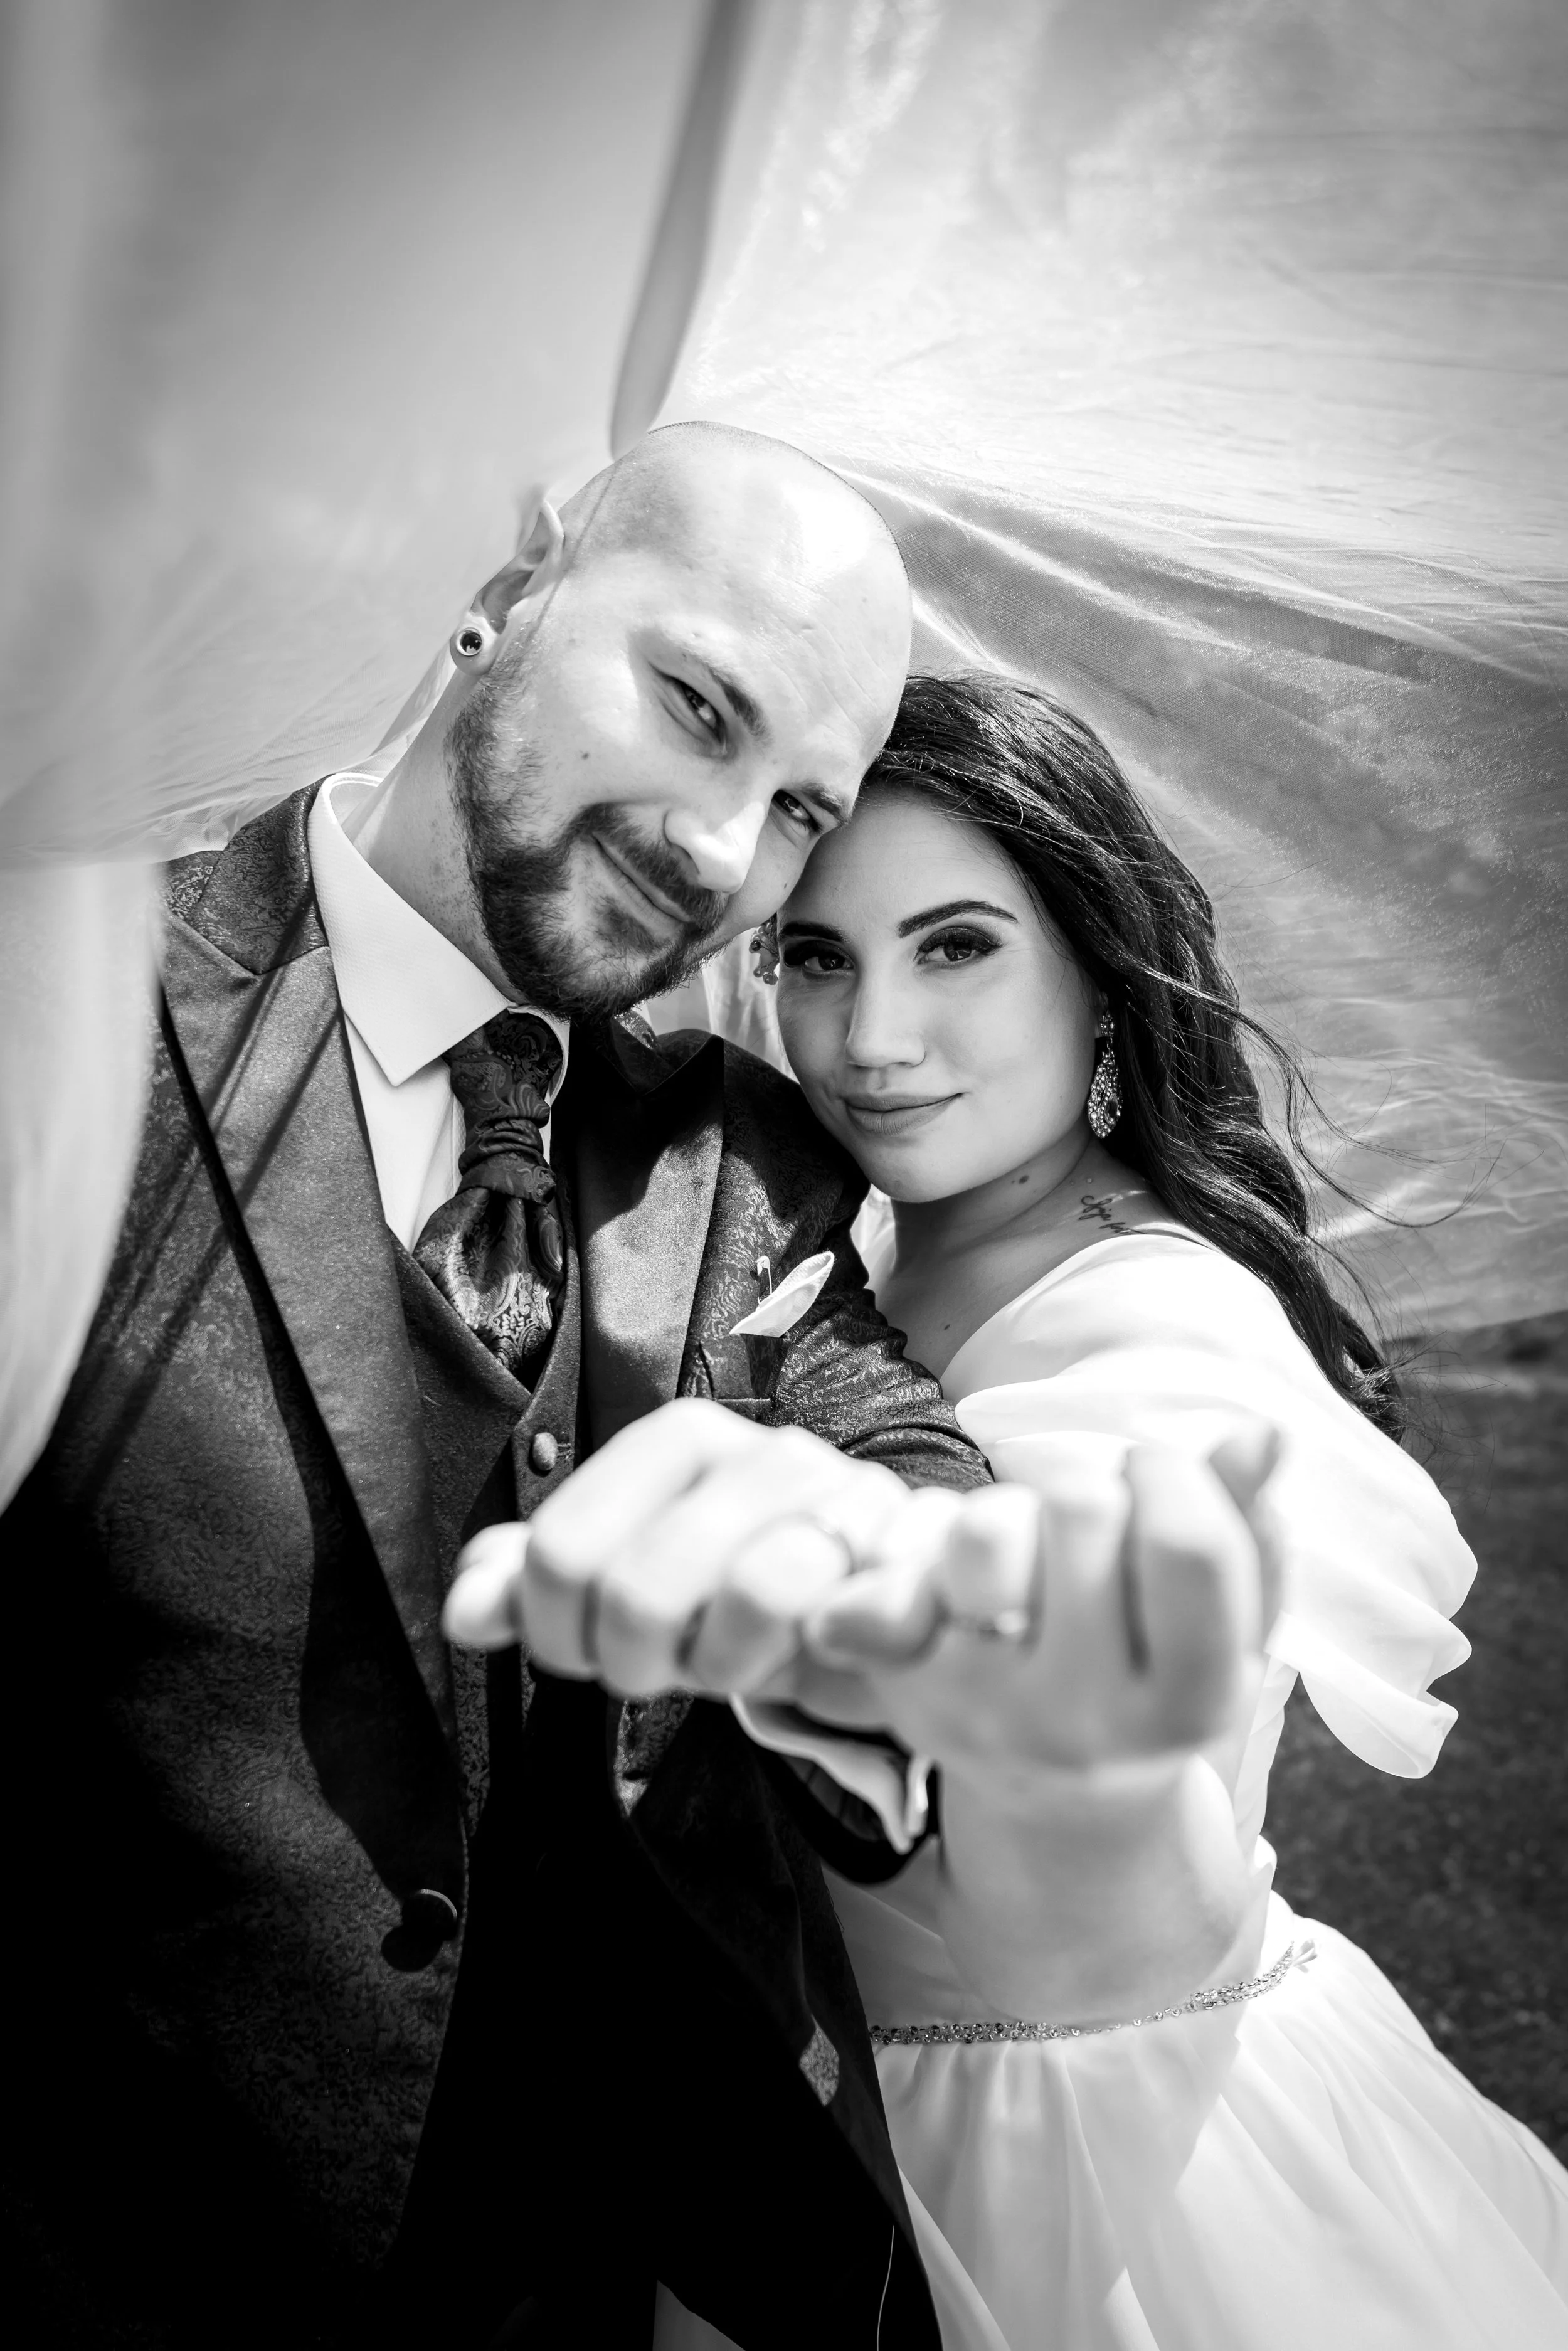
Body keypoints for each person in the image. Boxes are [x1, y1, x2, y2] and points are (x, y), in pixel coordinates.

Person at [3, 420, 1018, 2351]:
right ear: (502, 594)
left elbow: (904, 1457)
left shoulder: (747, 1163)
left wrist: (867, 1549)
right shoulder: (62, 1017)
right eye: (697, 707)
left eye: (798, 808)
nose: (719, 851)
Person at [749, 671, 1567, 2350]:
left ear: (1103, 987)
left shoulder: (1146, 1349)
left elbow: (1084, 1909)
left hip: (1075, 2181)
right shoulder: (876, 1249)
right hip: (834, 2115)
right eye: (817, 956)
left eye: (954, 946)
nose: (872, 1037)